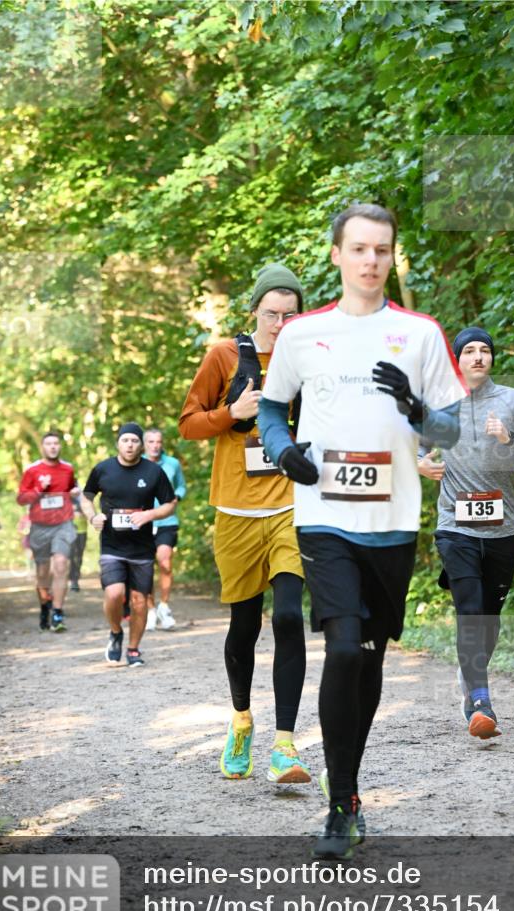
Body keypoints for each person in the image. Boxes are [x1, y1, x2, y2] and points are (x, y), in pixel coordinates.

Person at [258, 203, 467, 858]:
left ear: (391, 255)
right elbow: (271, 409)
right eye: (359, 249)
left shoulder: (420, 333)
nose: (371, 261)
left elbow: (452, 428)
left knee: (369, 656)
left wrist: (413, 405)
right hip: (323, 518)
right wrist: (282, 450)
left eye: (381, 250)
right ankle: (339, 805)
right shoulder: (302, 334)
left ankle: (346, 792)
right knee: (343, 650)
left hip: (392, 522)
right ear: (337, 255)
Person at [179, 264, 311, 786]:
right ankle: (240, 721)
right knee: (244, 626)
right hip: (235, 510)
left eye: (290, 315)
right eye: (271, 314)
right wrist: (231, 413)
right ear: (254, 310)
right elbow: (188, 424)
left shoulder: (309, 359)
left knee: (289, 617)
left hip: (291, 506)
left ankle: (285, 744)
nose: (280, 324)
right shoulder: (224, 356)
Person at [419, 326, 514, 740]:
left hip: (503, 528)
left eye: (485, 350)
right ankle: (480, 701)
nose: (478, 356)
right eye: (469, 351)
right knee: (470, 608)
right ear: (457, 359)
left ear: (492, 357)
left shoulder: (512, 400)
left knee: (489, 620)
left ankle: (470, 674)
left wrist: (510, 439)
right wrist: (422, 464)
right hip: (455, 527)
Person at [80, 422, 176, 668]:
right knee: (114, 593)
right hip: (112, 546)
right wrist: (93, 517)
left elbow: (170, 503)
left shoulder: (153, 471)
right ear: (118, 443)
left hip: (142, 548)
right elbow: (86, 497)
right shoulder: (103, 469)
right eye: (125, 440)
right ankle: (115, 632)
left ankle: (133, 649)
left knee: (139, 601)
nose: (130, 445)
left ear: (141, 445)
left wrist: (149, 515)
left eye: (134, 441)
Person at [17, 431, 79, 631]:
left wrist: (74, 493)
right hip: (40, 527)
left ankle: (58, 613)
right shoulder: (32, 470)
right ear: (42, 447)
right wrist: (39, 489)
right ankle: (45, 606)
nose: (53, 447)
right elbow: (21, 499)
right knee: (43, 572)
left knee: (61, 564)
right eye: (48, 444)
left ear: (60, 446)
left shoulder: (68, 469)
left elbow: (72, 488)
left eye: (56, 443)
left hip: (63, 524)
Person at [142, 428, 187, 630]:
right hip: (143, 521)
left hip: (167, 521)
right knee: (145, 568)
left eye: (158, 441)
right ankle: (151, 610)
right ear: (144, 444)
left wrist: (177, 496)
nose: (155, 445)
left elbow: (181, 486)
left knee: (165, 562)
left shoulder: (172, 464)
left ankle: (164, 606)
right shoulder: (137, 464)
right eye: (151, 442)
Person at [69, 496, 88, 591]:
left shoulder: (83, 499)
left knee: (79, 555)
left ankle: (76, 577)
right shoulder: (64, 499)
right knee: (71, 555)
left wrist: (83, 513)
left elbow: (91, 513)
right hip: (68, 532)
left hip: (82, 531)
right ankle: (73, 579)